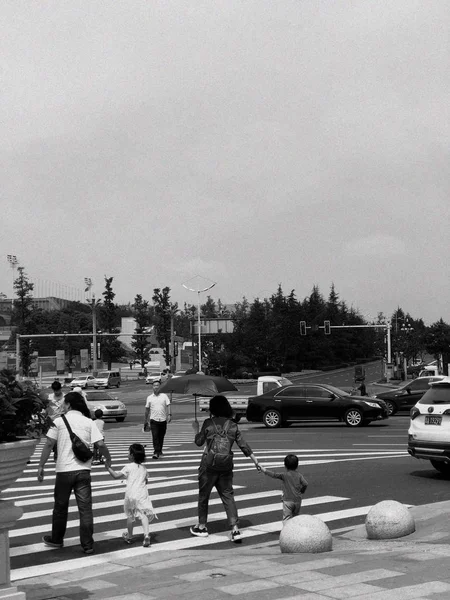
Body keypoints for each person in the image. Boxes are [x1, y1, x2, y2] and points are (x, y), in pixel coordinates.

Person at [37, 391, 112, 554]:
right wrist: (108, 459)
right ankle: (87, 545)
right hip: (83, 471)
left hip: (64, 471)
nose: (61, 405)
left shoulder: (59, 421)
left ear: (69, 404)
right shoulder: (88, 422)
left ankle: (56, 539)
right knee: (85, 509)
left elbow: (49, 444)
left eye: (63, 403)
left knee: (60, 507)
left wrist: (41, 465)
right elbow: (100, 444)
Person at [191, 395, 261, 543]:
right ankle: (235, 529)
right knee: (228, 495)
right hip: (226, 466)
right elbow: (243, 446)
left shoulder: (208, 423)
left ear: (213, 408)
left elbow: (198, 442)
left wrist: (196, 429)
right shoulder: (233, 425)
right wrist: (256, 461)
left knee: (204, 495)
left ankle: (202, 526)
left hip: (208, 465)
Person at [105, 443, 156, 548]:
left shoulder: (128, 467)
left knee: (130, 515)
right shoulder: (144, 468)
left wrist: (108, 468)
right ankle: (146, 535)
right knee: (144, 514)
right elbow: (146, 481)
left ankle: (130, 536)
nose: (127, 454)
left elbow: (116, 476)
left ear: (132, 455)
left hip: (131, 494)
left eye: (128, 452)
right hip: (142, 494)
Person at [260, 454, 308, 521]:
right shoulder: (299, 475)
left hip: (287, 500)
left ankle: (287, 530)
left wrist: (263, 470)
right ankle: (296, 530)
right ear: (297, 465)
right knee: (296, 517)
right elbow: (305, 484)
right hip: (297, 500)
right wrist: (302, 491)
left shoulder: (284, 475)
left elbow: (274, 475)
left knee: (287, 518)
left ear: (285, 465)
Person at [144, 380, 172, 459]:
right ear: (152, 387)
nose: (156, 387)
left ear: (160, 387)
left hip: (163, 420)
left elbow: (168, 405)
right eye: (154, 385)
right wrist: (145, 420)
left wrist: (169, 414)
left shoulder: (164, 396)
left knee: (161, 436)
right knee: (155, 436)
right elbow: (147, 410)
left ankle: (160, 451)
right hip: (153, 420)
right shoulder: (149, 398)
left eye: (157, 385)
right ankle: (156, 452)